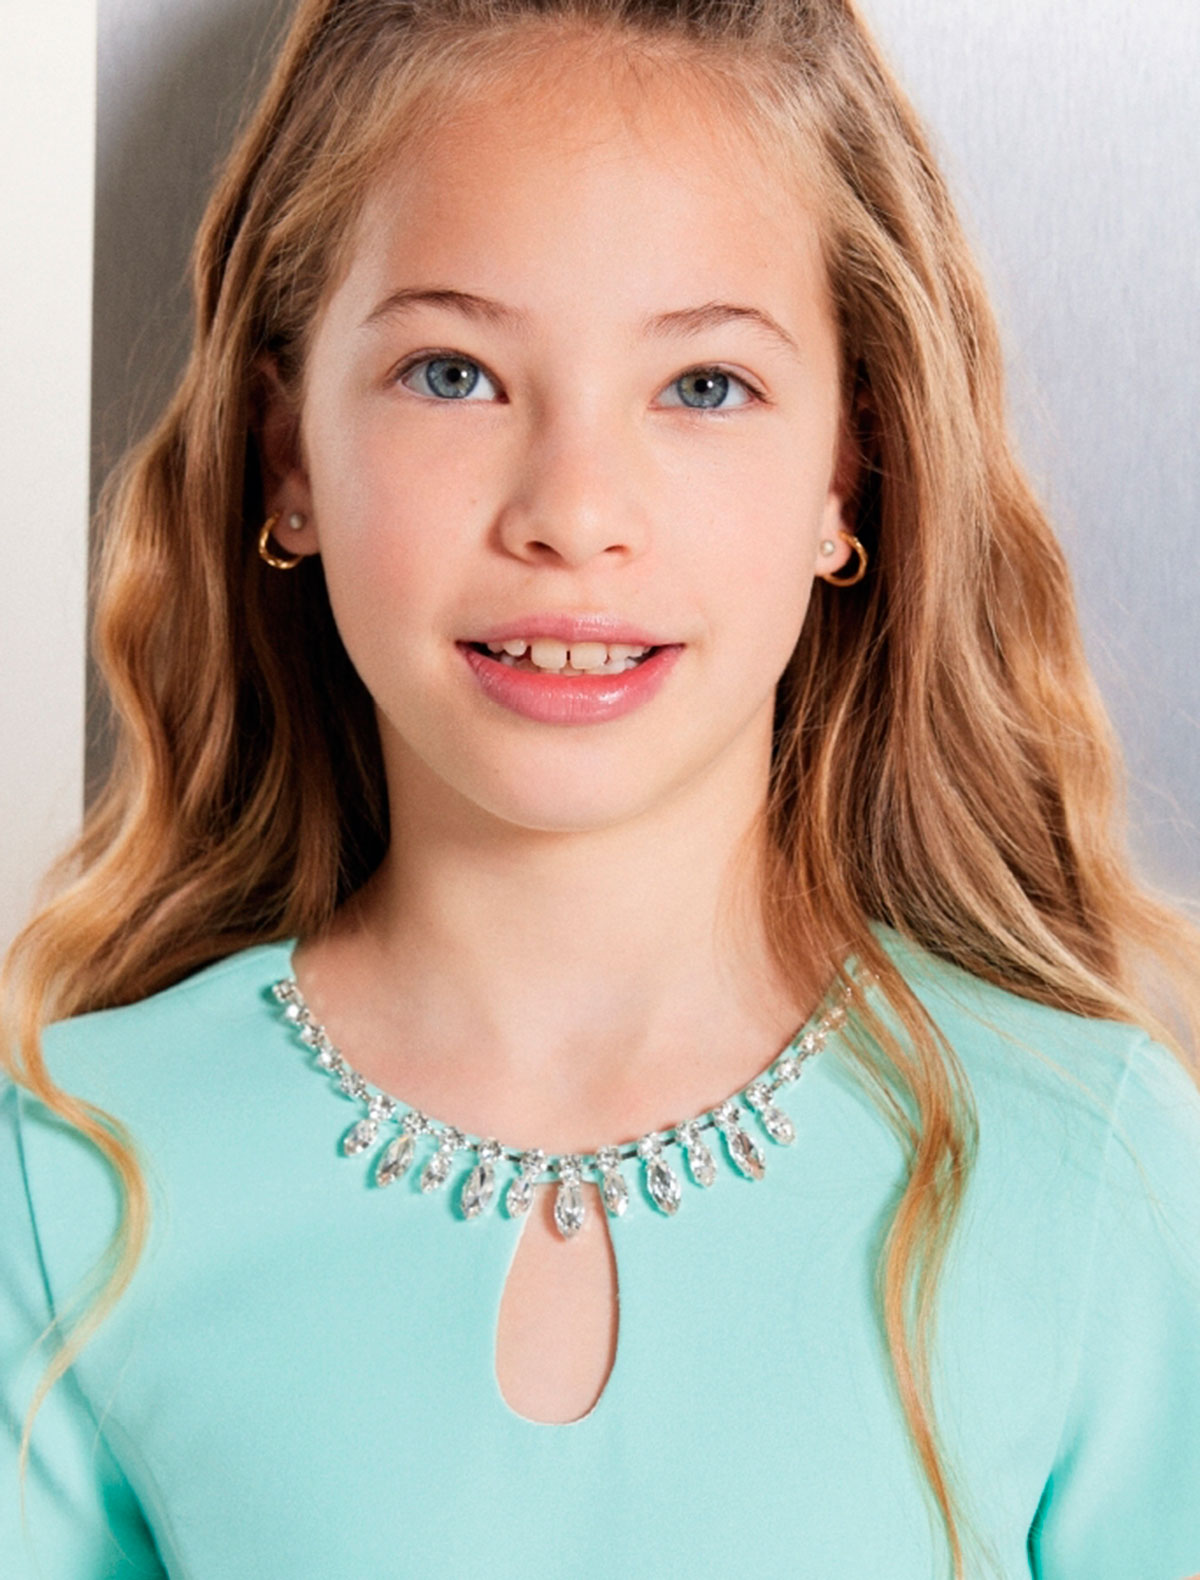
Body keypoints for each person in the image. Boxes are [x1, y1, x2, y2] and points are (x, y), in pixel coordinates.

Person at [2, 0, 1199, 1575]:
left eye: (702, 385)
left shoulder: (1094, 1169)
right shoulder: (72, 1176)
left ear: (850, 470)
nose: (573, 513)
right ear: (287, 456)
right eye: (454, 372)